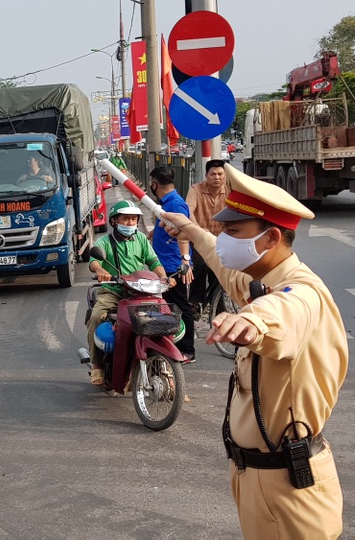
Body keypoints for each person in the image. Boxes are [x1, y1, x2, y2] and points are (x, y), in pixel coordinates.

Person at [160, 164, 347, 540]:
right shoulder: (264, 279)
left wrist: (252, 322)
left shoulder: (300, 293)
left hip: (288, 486)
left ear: (271, 237)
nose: (223, 238)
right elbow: (229, 271)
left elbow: (284, 311)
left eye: (233, 231)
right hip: (260, 476)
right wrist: (194, 231)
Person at [87, 200, 170, 385]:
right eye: (126, 219)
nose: (131, 223)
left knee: (164, 318)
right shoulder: (105, 241)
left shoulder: (141, 238)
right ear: (114, 221)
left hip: (141, 292)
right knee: (97, 317)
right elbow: (94, 261)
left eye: (134, 219)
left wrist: (164, 277)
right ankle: (97, 365)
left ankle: (166, 367)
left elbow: (153, 261)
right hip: (114, 292)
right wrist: (101, 272)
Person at [147, 167, 197, 363]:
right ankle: (175, 345)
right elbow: (168, 230)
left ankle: (188, 350)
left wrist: (185, 262)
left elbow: (184, 234)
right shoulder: (166, 204)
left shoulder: (175, 205)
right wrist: (152, 235)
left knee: (181, 307)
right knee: (170, 305)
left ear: (154, 185)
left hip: (174, 265)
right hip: (166, 263)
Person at [186, 159, 230, 325]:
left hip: (223, 238)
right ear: (206, 176)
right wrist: (198, 229)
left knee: (220, 271)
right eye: (213, 174)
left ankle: (218, 307)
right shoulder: (196, 189)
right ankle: (196, 302)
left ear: (225, 176)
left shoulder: (230, 191)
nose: (216, 177)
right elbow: (188, 210)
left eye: (220, 174)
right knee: (201, 265)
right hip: (200, 239)